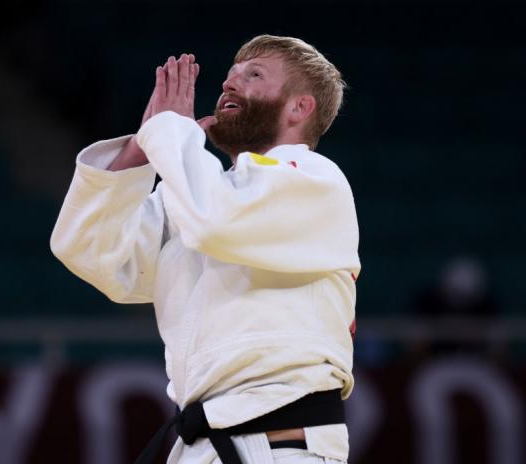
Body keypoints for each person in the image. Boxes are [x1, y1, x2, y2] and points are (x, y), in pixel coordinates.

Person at [51, 35, 360, 464]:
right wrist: (142, 148)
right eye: (228, 78)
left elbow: (213, 221)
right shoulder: (198, 197)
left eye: (253, 76)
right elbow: (87, 249)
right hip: (201, 444)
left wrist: (171, 134)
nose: (229, 86)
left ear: (299, 108)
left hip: (279, 444)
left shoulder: (312, 178)